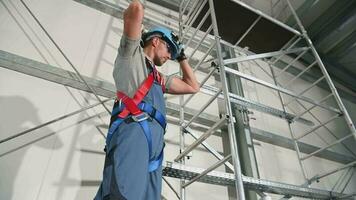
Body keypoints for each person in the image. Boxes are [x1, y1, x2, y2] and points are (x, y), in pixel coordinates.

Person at [94, 0, 199, 199]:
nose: (170, 55)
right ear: (156, 41)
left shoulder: (158, 78)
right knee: (123, 194)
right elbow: (136, 8)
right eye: (169, 48)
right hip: (134, 132)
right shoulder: (130, 55)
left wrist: (182, 56)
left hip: (155, 146)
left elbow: (193, 86)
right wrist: (141, 31)